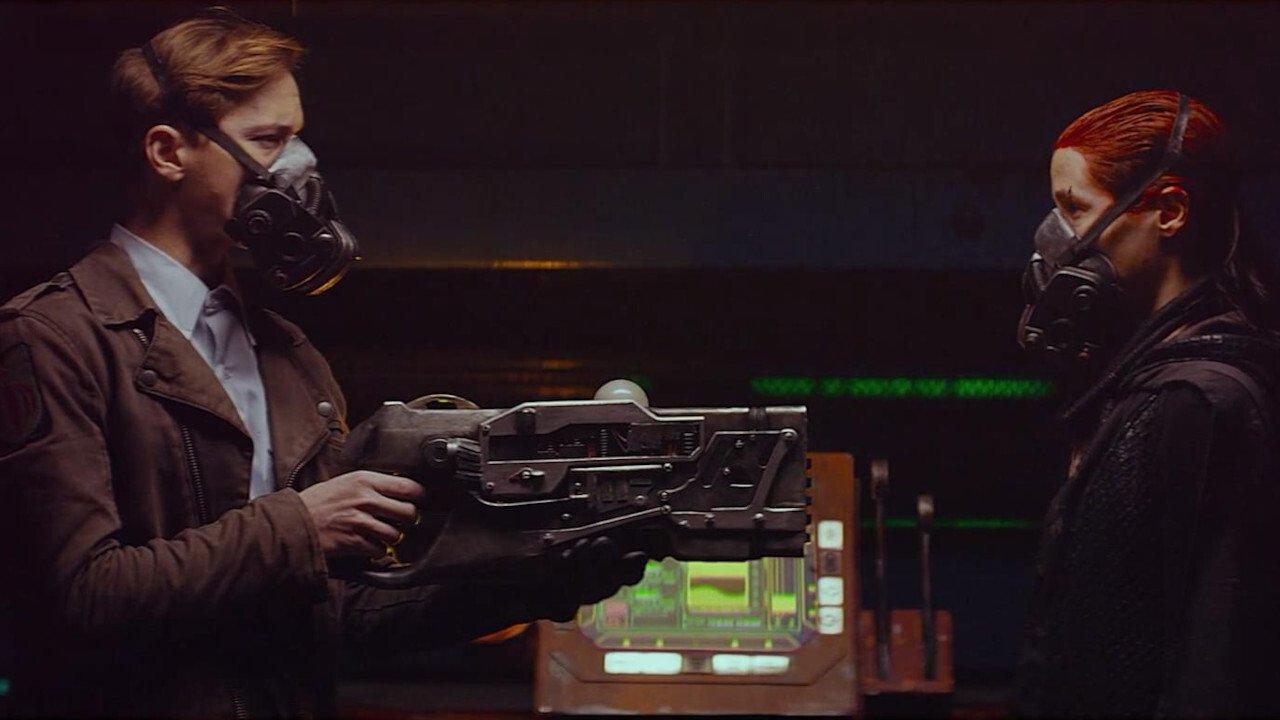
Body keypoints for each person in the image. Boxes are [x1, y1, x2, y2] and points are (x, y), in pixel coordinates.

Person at [0, 10, 644, 718]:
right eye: (268, 139)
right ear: (167, 151)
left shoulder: (287, 354)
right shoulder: (53, 338)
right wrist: (299, 527)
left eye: (297, 135)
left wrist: (539, 580)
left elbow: (335, 617)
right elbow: (81, 599)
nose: (298, 165)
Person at [1014, 90, 1280, 718]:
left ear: (1169, 212)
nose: (1056, 240)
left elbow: (1209, 668)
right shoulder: (1153, 381)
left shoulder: (1197, 402)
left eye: (1075, 208)